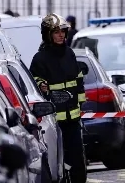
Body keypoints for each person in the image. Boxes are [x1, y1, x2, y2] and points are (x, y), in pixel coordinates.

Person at [29, 13, 87, 182]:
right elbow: (34, 82)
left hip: (73, 119)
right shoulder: (39, 59)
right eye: (56, 32)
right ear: (48, 34)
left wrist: (80, 102)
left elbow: (78, 79)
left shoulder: (70, 53)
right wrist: (41, 85)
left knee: (77, 159)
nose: (61, 35)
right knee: (57, 162)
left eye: (62, 31)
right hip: (53, 122)